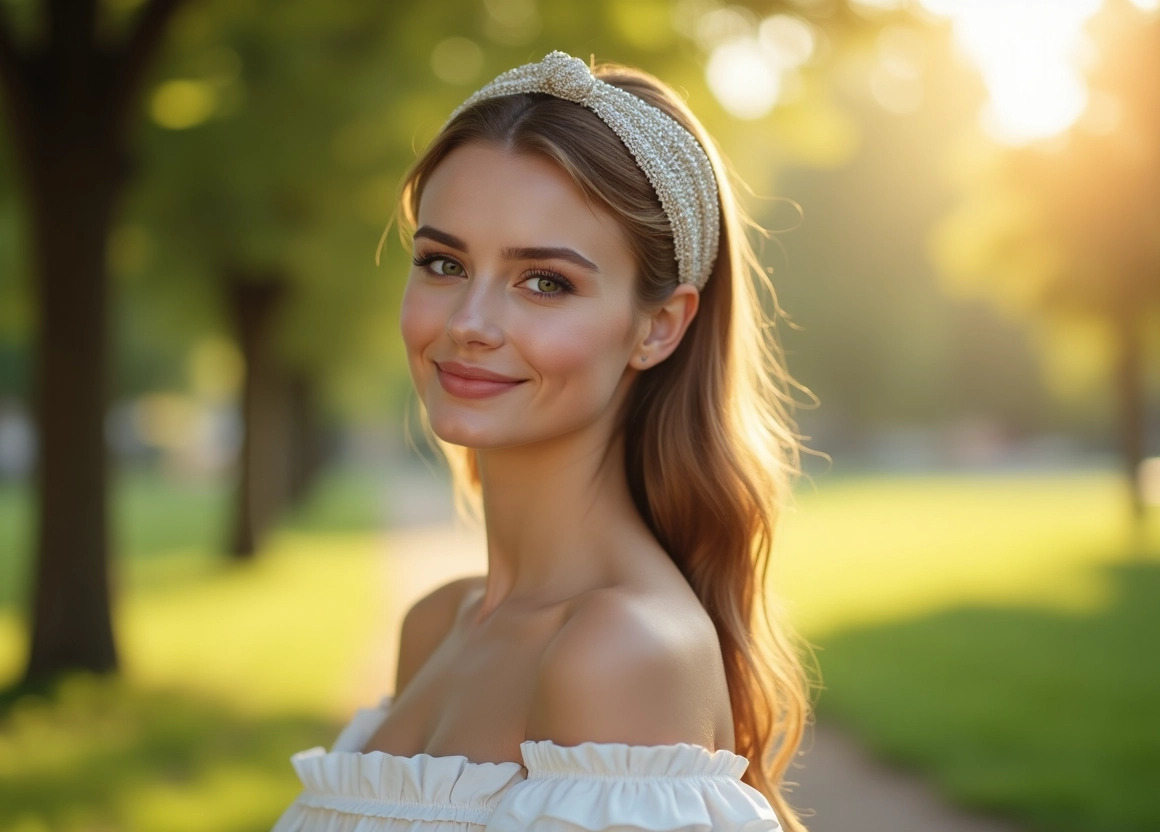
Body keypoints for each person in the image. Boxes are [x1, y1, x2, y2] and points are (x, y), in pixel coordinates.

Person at [272, 50, 810, 832]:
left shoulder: (621, 653)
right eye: (443, 263)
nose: (468, 325)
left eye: (545, 281)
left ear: (657, 328)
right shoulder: (436, 627)